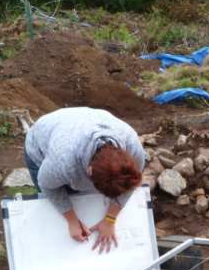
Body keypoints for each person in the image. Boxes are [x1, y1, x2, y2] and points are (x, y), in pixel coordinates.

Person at [24, 107, 144, 254]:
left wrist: (110, 219)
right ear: (90, 171)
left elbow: (127, 187)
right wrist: (72, 221)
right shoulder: (64, 162)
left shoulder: (134, 152)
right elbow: (48, 186)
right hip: (42, 138)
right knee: (56, 213)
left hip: (81, 123)